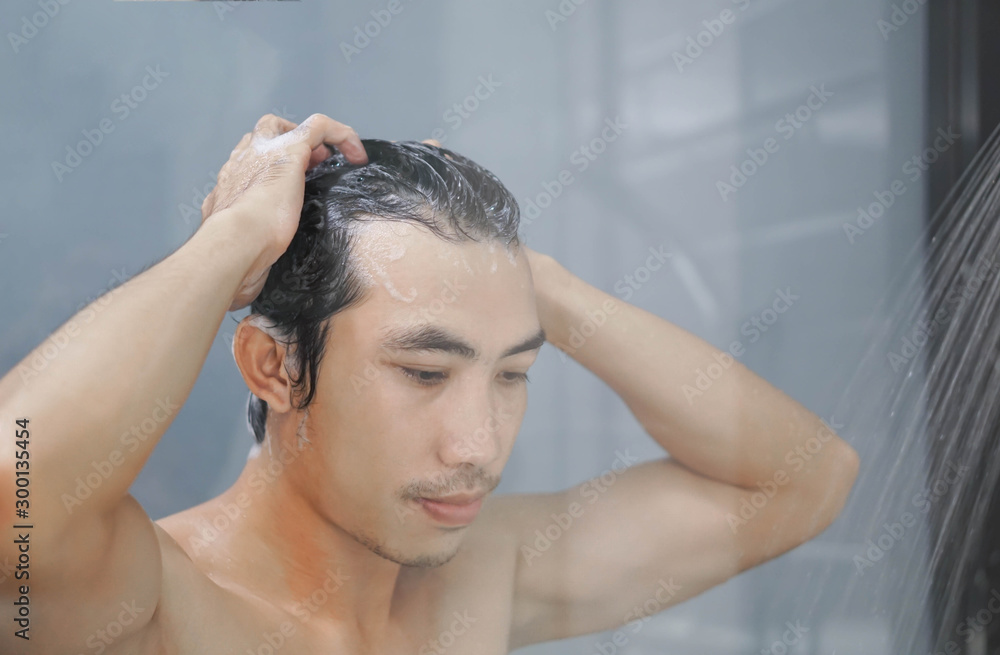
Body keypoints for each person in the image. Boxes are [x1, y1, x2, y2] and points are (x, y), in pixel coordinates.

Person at [0, 113, 859, 654]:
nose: (478, 446)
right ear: (274, 367)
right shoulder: (146, 609)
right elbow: (15, 489)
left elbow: (803, 478)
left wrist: (534, 285)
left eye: (513, 372)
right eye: (423, 371)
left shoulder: (483, 581)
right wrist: (229, 247)